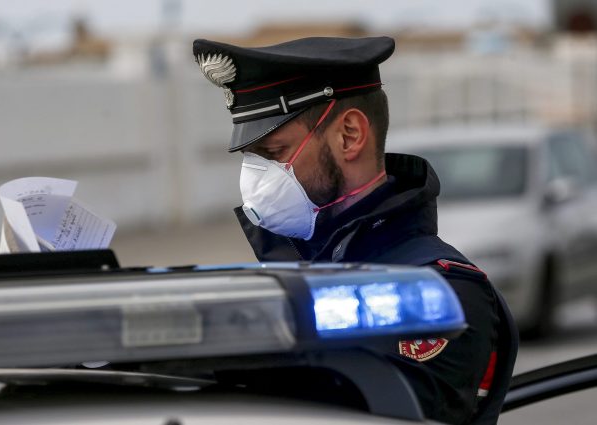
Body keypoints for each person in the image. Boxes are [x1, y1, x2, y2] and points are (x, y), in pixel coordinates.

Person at [193, 36, 516, 425]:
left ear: (349, 135)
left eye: (274, 153)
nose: (255, 177)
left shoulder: (440, 292)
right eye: (251, 158)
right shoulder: (292, 271)